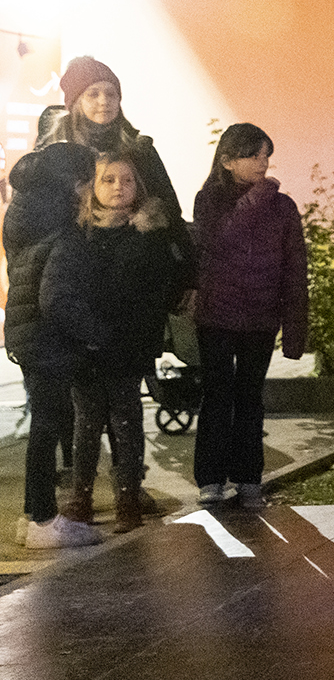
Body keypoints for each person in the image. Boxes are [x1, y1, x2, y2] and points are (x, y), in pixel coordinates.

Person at [40, 151, 185, 533]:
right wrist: (91, 333)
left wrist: (128, 336)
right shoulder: (77, 235)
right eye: (108, 179)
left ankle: (128, 499)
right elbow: (57, 293)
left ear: (139, 187)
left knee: (127, 423)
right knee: (86, 425)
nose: (119, 187)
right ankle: (81, 498)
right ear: (92, 187)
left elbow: (157, 292)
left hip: (127, 349)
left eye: (127, 180)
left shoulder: (149, 236)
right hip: (87, 347)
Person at [190, 123, 309, 509]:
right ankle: (210, 479)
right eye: (253, 155)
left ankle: (248, 478)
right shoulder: (209, 200)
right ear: (227, 161)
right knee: (217, 395)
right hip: (217, 316)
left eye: (266, 155)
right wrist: (257, 198)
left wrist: (295, 327)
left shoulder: (284, 207)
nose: (263, 162)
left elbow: (295, 269)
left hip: (261, 316)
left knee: (250, 397)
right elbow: (220, 238)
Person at [3, 143, 104, 548]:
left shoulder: (27, 215)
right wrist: (94, 333)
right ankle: (44, 521)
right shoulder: (63, 227)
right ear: (75, 182)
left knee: (44, 425)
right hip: (49, 338)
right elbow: (56, 297)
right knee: (49, 425)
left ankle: (34, 515)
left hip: (27, 334)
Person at [41, 56, 185, 228]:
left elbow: (172, 213)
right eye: (93, 94)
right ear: (77, 102)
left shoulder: (141, 150)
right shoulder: (54, 153)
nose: (104, 101)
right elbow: (31, 223)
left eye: (111, 94)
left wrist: (148, 220)